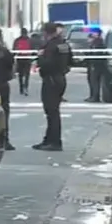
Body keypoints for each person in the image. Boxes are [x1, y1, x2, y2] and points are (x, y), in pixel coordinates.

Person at [33, 22, 73, 151]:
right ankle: (49, 140)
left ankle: (54, 142)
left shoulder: (50, 46)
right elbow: (71, 60)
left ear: (45, 32)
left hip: (51, 80)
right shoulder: (63, 43)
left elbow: (47, 64)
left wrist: (40, 57)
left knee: (51, 112)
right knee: (53, 111)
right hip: (60, 78)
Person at [84, 30, 106, 102]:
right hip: (92, 63)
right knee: (91, 80)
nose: (92, 34)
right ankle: (92, 96)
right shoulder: (94, 42)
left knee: (94, 81)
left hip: (95, 64)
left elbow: (96, 54)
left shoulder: (98, 42)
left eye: (94, 32)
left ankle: (95, 97)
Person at [12, 28, 33, 95]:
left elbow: (14, 50)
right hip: (26, 58)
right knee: (26, 74)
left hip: (21, 58)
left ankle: (22, 88)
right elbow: (32, 49)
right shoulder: (29, 40)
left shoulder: (17, 40)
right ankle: (25, 87)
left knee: (21, 75)